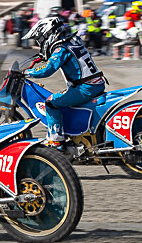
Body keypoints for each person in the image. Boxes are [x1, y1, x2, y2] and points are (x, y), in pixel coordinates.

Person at [23, 17, 106, 147]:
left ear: (48, 34)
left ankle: (56, 140)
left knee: (50, 103)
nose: (39, 43)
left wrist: (27, 73)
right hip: (95, 83)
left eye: (40, 39)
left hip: (86, 87)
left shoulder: (61, 49)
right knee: (62, 97)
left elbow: (48, 70)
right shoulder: (73, 40)